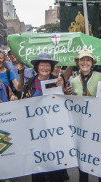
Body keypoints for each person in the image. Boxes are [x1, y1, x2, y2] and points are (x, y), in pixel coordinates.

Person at [21, 52, 66, 182]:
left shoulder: (57, 82)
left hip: (54, 130)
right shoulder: (29, 83)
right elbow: (23, 105)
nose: (45, 68)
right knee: (38, 167)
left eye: (48, 65)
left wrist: (62, 88)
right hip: (36, 131)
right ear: (37, 67)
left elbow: (65, 103)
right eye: (42, 65)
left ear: (52, 67)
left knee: (55, 167)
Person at [70, 49, 101, 182]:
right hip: (81, 126)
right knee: (82, 160)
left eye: (88, 60)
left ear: (92, 63)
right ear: (78, 62)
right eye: (82, 60)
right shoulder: (74, 81)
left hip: (98, 124)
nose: (85, 62)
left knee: (99, 157)